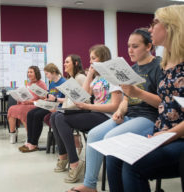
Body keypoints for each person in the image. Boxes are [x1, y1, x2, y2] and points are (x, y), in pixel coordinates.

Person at [68, 28, 163, 192]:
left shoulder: (158, 67)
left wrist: (137, 93)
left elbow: (164, 103)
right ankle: (90, 185)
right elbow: (127, 98)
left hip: (149, 118)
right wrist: (120, 110)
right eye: (128, 46)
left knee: (110, 138)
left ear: (148, 46)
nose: (130, 50)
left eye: (135, 46)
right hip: (130, 116)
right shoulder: (132, 69)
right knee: (94, 135)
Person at [106, 5, 184, 192]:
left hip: (177, 136)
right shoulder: (167, 62)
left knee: (133, 166)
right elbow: (166, 104)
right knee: (114, 156)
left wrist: (167, 135)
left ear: (171, 26)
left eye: (154, 23)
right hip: (162, 132)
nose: (150, 29)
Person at [52, 45, 123, 183]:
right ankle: (72, 160)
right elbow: (83, 96)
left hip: (107, 116)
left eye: (93, 58)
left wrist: (89, 106)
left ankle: (74, 163)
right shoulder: (96, 78)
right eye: (90, 58)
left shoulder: (112, 76)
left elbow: (115, 106)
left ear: (103, 59)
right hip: (94, 112)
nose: (90, 61)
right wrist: (90, 74)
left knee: (61, 118)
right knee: (58, 116)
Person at [19, 63, 66, 152]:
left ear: (53, 72)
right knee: (30, 113)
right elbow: (50, 95)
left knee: (37, 115)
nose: (46, 76)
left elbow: (66, 99)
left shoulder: (63, 82)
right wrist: (45, 97)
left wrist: (53, 99)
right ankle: (29, 141)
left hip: (57, 107)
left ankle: (34, 143)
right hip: (49, 104)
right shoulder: (52, 83)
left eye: (47, 74)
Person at [7, 66, 47, 144]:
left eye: (31, 72)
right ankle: (12, 134)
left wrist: (31, 102)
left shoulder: (41, 84)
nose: (29, 74)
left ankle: (29, 137)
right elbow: (25, 95)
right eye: (28, 72)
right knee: (11, 109)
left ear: (36, 73)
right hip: (25, 103)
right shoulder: (28, 84)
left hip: (35, 104)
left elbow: (44, 99)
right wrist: (20, 99)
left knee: (23, 110)